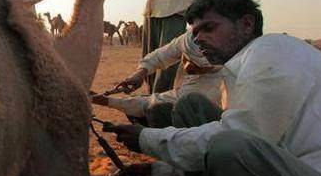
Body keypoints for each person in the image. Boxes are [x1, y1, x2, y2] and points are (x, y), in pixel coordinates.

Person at [104, 0, 321, 176]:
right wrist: (153, 172)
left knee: (229, 144)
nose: (197, 39)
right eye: (194, 32)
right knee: (192, 107)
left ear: (247, 24)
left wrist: (146, 138)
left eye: (208, 28)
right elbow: (256, 160)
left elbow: (238, 145)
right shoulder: (238, 71)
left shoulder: (270, 51)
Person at [91, 27, 223, 128]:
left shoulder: (219, 83)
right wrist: (140, 73)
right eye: (186, 59)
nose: (188, 67)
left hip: (210, 126)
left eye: (198, 67)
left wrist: (107, 101)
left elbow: (150, 103)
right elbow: (160, 56)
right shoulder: (189, 39)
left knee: (156, 110)